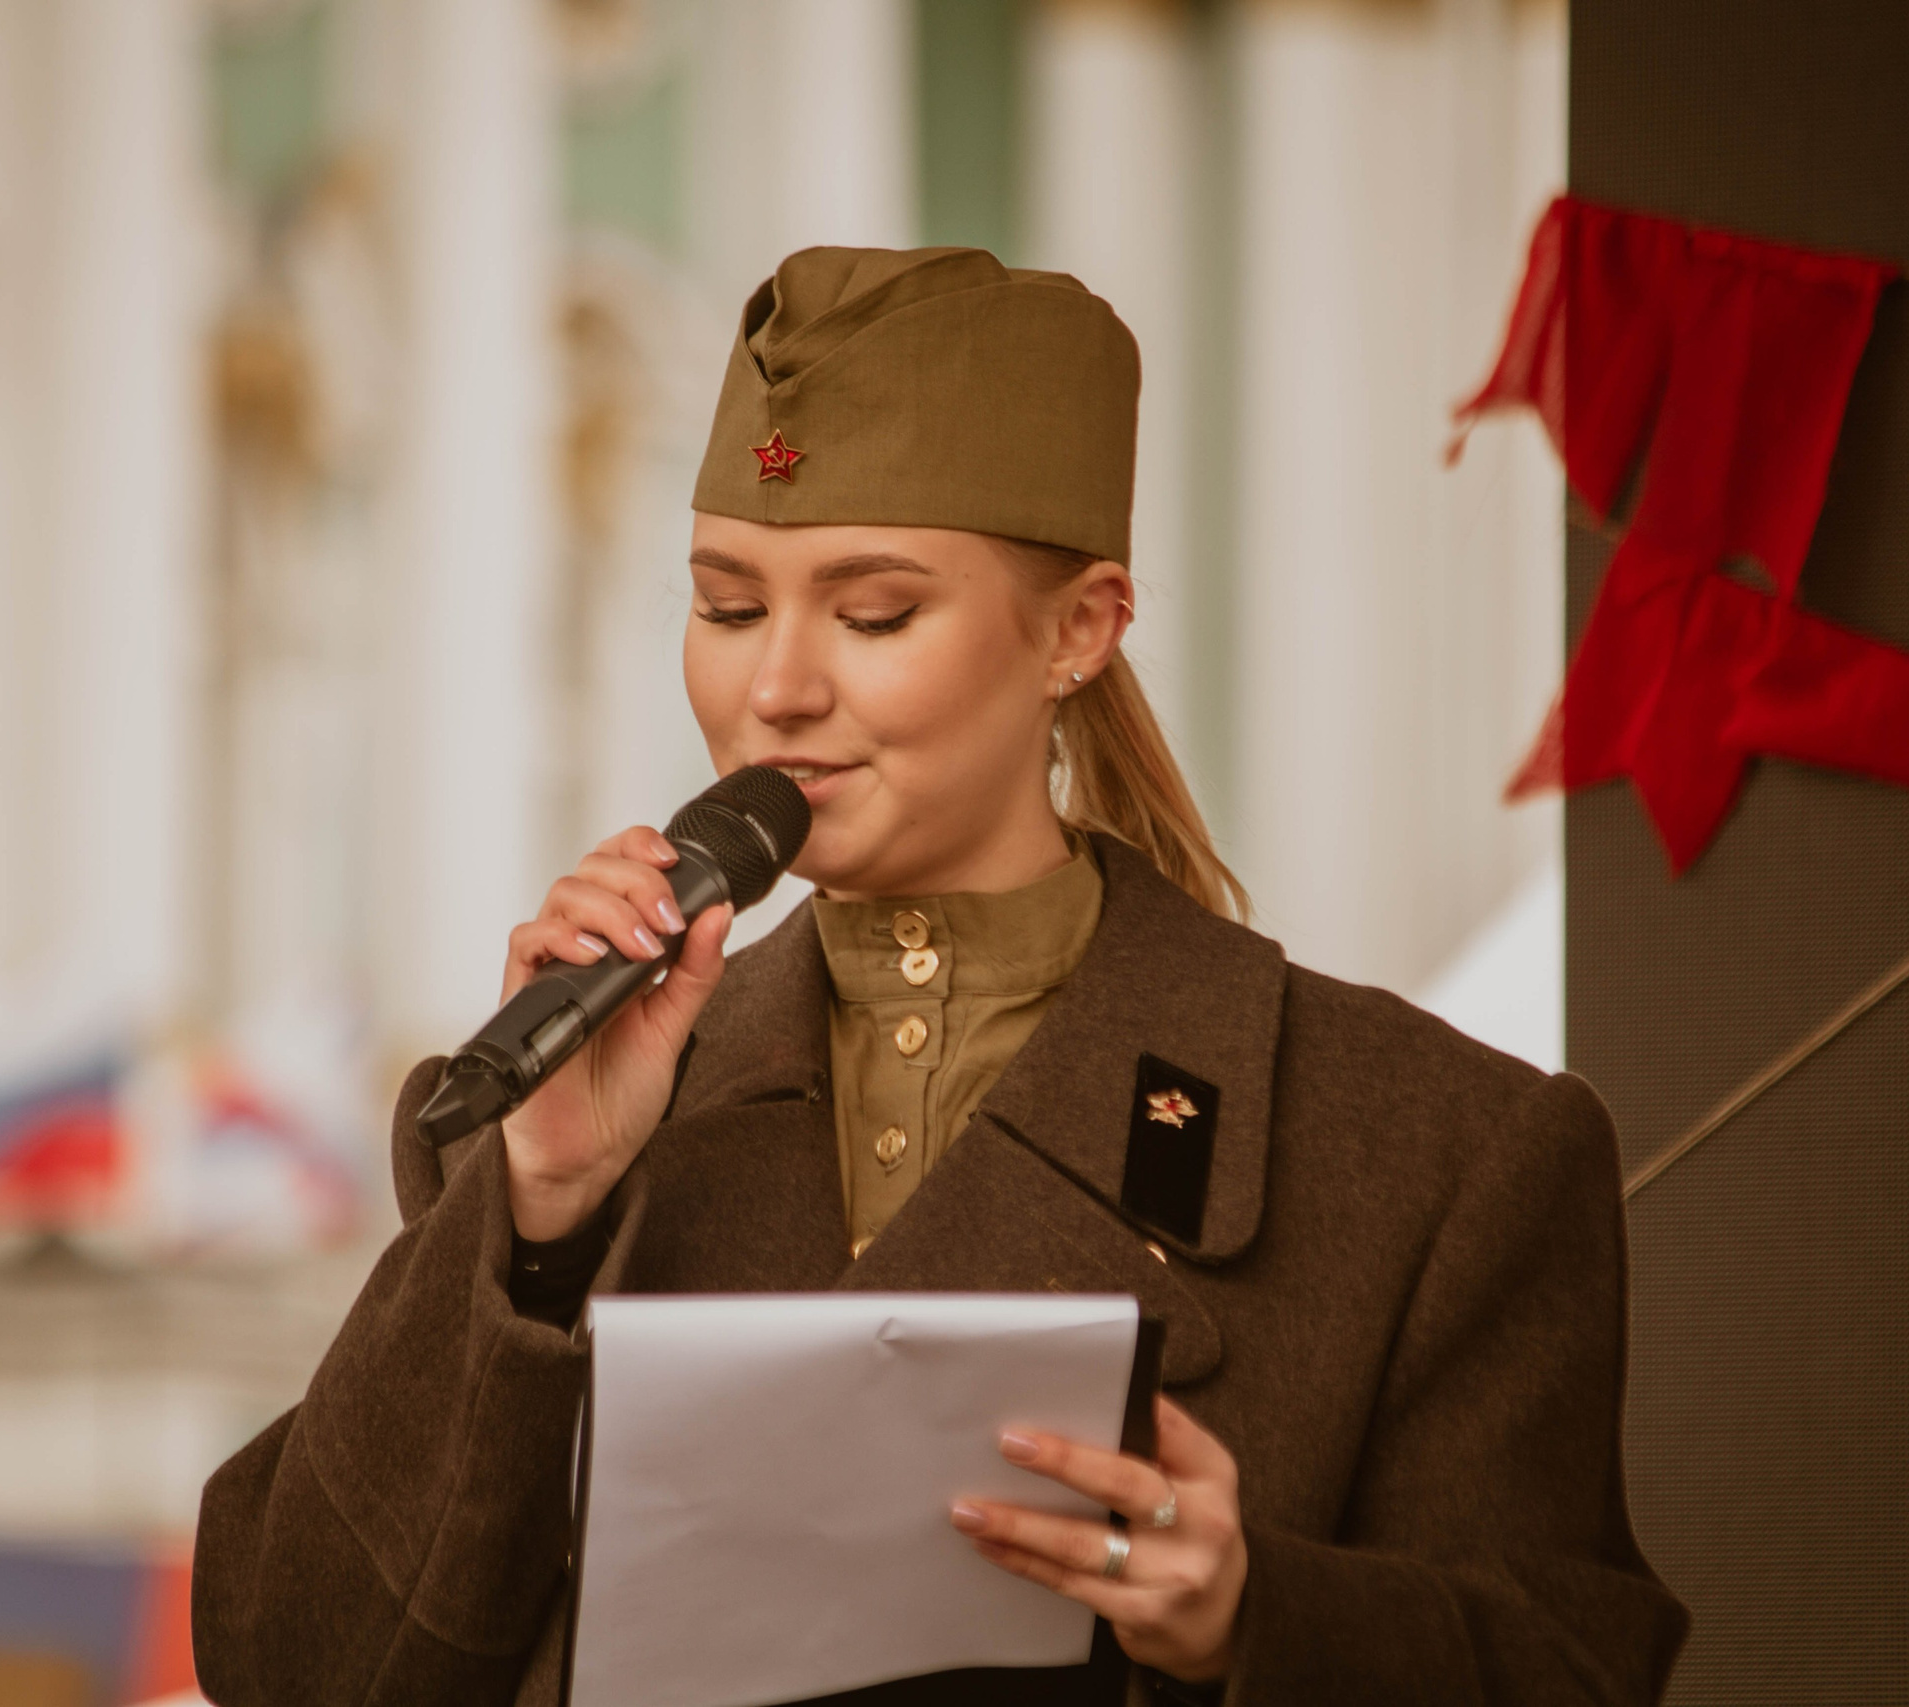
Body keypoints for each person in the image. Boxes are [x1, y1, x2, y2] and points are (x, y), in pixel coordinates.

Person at [192, 247, 1687, 1706]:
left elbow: (1571, 1665)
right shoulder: (541, 1114)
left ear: (1080, 631)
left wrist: (1258, 1620)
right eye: (724, 606)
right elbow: (299, 1666)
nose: (773, 687)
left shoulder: (1444, 1156)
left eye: (874, 612)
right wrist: (537, 1216)